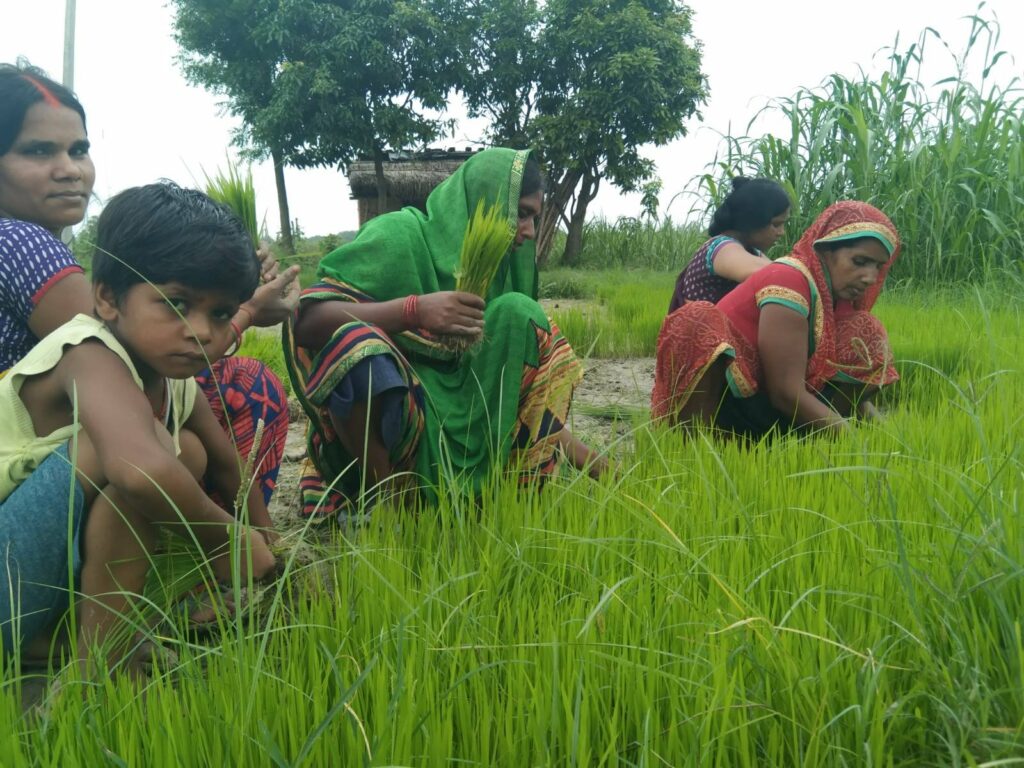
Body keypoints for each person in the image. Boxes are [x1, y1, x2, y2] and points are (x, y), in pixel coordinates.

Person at [0, 182, 277, 672]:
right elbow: (138, 471)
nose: (202, 331)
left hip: (38, 581)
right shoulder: (87, 351)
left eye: (220, 313)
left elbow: (227, 460)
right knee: (145, 454)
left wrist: (268, 543)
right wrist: (228, 541)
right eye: (175, 304)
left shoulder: (174, 378)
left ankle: (84, 643)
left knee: (187, 450)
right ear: (108, 299)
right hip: (10, 575)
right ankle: (96, 670)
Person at [0, 63, 298, 508]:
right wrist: (247, 310)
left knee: (189, 445)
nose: (69, 170)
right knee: (244, 387)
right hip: (28, 470)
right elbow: (129, 352)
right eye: (39, 151)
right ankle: (208, 559)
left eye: (78, 150)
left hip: (53, 453)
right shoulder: (17, 241)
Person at [286, 148, 605, 520]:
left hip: (469, 424)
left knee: (525, 316)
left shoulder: (497, 279)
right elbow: (307, 322)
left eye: (535, 217)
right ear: (482, 201)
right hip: (396, 431)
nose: (530, 231)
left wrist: (600, 467)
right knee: (354, 349)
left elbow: (516, 398)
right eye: (521, 213)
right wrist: (415, 310)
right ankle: (387, 508)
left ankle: (497, 495)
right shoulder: (401, 236)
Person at [652, 201, 900, 436]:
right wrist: (856, 442)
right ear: (824, 250)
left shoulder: (837, 300)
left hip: (771, 409)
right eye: (859, 262)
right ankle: (693, 448)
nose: (869, 277)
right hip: (733, 402)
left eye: (878, 267)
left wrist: (890, 440)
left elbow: (854, 397)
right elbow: (785, 393)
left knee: (867, 332)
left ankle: (808, 442)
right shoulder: (790, 279)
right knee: (698, 318)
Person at [667, 177, 791, 313]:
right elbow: (775, 274)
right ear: (753, 220)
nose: (782, 232)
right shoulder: (721, 247)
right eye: (776, 224)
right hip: (705, 332)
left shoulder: (752, 251)